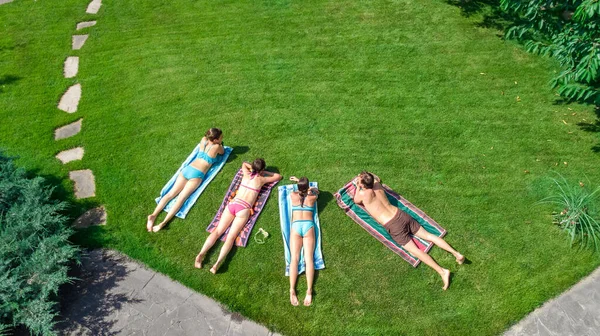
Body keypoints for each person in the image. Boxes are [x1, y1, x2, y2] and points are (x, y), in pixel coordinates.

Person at [353, 171, 465, 290]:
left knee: (415, 251)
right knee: (429, 236)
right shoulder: (377, 185)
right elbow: (376, 179)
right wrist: (367, 180)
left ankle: (442, 272)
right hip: (401, 215)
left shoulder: (362, 194)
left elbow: (356, 200)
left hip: (393, 225)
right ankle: (456, 254)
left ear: (363, 185)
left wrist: (357, 186)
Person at [194, 158, 282, 274]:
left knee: (217, 232)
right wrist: (265, 172)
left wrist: (252, 168)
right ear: (262, 170)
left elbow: (244, 164)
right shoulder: (262, 179)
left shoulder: (246, 174)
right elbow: (278, 176)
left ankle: (200, 254)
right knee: (230, 238)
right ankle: (216, 265)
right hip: (243, 208)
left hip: (233, 204)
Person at [147, 128, 224, 232]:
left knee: (171, 194)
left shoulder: (203, 140)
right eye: (220, 137)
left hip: (187, 170)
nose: (222, 139)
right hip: (197, 174)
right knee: (181, 199)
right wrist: (220, 145)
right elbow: (223, 153)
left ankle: (153, 215)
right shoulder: (217, 146)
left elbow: (207, 142)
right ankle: (163, 223)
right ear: (215, 140)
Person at [288, 176, 318, 306]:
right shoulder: (312, 197)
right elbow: (317, 190)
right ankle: (309, 290)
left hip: (296, 226)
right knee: (308, 259)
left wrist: (297, 183)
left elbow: (298, 191)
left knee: (294, 259)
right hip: (308, 226)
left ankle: (292, 290)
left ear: (298, 188)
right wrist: (308, 187)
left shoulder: (293, 195)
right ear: (307, 187)